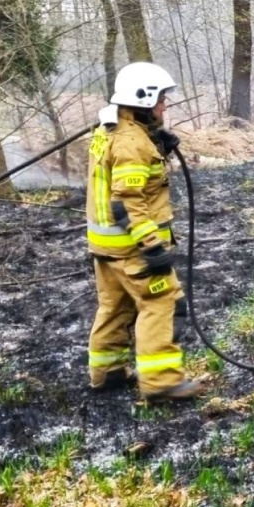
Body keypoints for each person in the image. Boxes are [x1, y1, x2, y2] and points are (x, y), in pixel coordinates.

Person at [85, 62, 200, 401]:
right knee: (160, 301)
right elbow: (127, 201)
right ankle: (161, 381)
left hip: (106, 247)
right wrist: (151, 246)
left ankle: (107, 373)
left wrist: (157, 148)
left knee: (115, 307)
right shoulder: (132, 142)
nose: (165, 105)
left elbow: (117, 180)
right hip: (132, 246)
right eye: (162, 98)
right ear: (144, 98)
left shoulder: (108, 130)